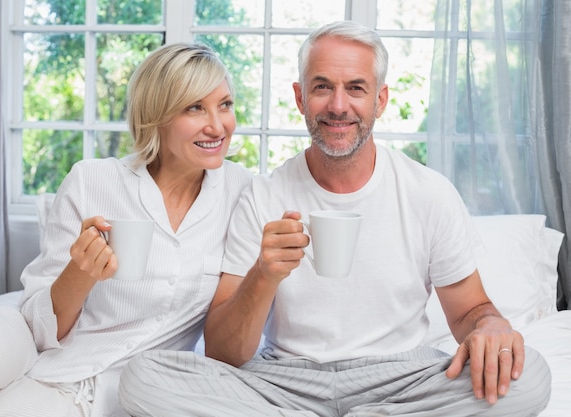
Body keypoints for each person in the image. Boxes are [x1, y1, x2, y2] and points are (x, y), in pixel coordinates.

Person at [118, 21, 552, 417]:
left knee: (528, 375)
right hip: (283, 383)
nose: (338, 105)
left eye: (356, 88)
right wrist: (263, 275)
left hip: (399, 380)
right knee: (143, 378)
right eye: (322, 87)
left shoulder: (427, 192)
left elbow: (469, 311)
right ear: (300, 97)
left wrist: (491, 325)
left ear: (380, 100)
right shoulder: (262, 195)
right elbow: (223, 352)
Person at [0, 42, 252, 417]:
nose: (218, 125)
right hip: (53, 363)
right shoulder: (92, 180)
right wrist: (80, 271)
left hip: (132, 389)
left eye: (225, 104)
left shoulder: (243, 193)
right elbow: (41, 329)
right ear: (156, 115)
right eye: (195, 107)